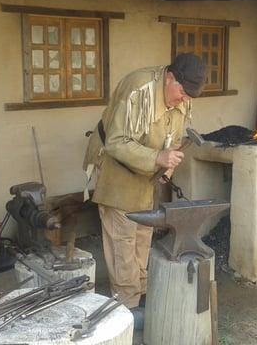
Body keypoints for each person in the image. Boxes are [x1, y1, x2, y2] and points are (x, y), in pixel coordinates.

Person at [82, 53, 206, 327]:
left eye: (190, 97)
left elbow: (172, 137)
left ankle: (141, 291)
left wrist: (168, 164)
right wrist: (157, 159)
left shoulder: (182, 98)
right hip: (116, 166)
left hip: (145, 171)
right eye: (183, 92)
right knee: (122, 236)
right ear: (170, 78)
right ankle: (126, 306)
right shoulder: (138, 90)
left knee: (142, 232)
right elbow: (116, 142)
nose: (185, 100)